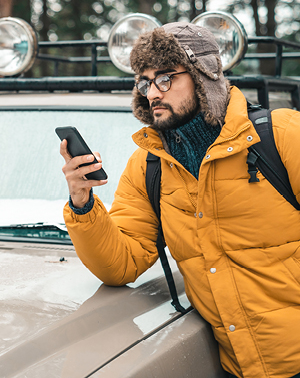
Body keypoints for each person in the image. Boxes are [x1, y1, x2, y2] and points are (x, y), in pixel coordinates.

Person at [60, 22, 300, 378]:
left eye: (165, 78)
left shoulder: (280, 135)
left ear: (204, 76)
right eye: (144, 81)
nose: (152, 92)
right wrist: (82, 203)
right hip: (238, 368)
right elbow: (120, 263)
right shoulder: (149, 164)